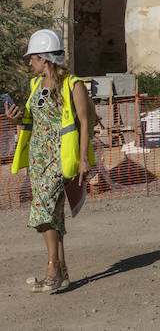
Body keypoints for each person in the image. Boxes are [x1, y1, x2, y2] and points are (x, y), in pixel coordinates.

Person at [2, 28, 94, 293]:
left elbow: (84, 122)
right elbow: (32, 119)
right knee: (52, 213)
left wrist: (83, 159)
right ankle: (62, 272)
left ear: (45, 58)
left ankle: (52, 267)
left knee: (41, 212)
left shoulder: (72, 84)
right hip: (38, 158)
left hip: (60, 157)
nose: (29, 61)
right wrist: (15, 119)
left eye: (32, 57)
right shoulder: (33, 85)